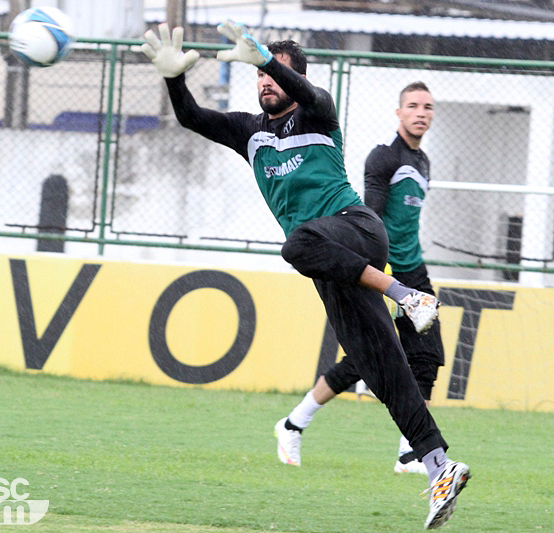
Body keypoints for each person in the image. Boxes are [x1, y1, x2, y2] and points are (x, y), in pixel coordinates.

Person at [141, 22, 468, 529]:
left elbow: (308, 91)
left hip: (356, 231)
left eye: (275, 75)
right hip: (331, 266)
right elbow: (190, 116)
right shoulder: (250, 133)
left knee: (294, 243)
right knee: (379, 367)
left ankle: (407, 295)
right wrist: (173, 80)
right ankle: (439, 467)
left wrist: (266, 60)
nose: (266, 82)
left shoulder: (318, 112)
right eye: (261, 76)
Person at [276, 83, 450, 474]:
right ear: (399, 113)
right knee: (369, 358)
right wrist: (379, 273)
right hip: (385, 270)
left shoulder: (422, 162)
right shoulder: (384, 158)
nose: (421, 112)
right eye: (413, 106)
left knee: (426, 357)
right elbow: (370, 217)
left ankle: (409, 453)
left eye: (427, 107)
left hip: (414, 269)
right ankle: (294, 423)